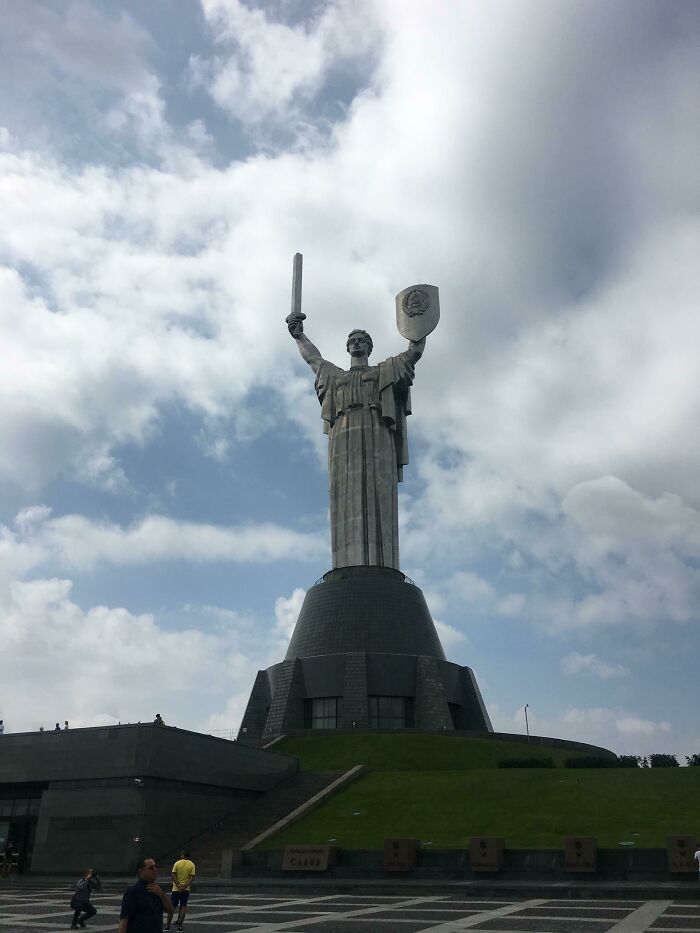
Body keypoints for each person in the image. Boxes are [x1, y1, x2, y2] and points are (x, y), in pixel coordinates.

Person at [288, 317, 425, 570]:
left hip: (376, 430)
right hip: (342, 436)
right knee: (344, 493)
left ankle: (380, 563)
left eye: (361, 340)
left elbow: (413, 353)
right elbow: (313, 359)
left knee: (378, 490)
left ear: (369, 347)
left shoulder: (382, 371)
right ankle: (346, 565)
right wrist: (300, 337)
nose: (356, 343)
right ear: (347, 347)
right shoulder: (335, 377)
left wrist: (419, 326)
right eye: (352, 341)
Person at [119, 858, 173, 933]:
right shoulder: (133, 892)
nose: (155, 869)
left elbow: (170, 910)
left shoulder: (157, 890)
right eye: (151, 867)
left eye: (155, 866)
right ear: (141, 871)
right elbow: (124, 920)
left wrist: (161, 894)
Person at [167, 851, 195, 932]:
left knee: (172, 907)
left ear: (182, 855)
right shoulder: (191, 864)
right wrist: (185, 886)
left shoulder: (177, 863)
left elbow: (173, 874)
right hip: (186, 889)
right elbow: (192, 877)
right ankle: (180, 926)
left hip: (176, 889)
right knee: (183, 906)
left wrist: (178, 885)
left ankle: (167, 925)